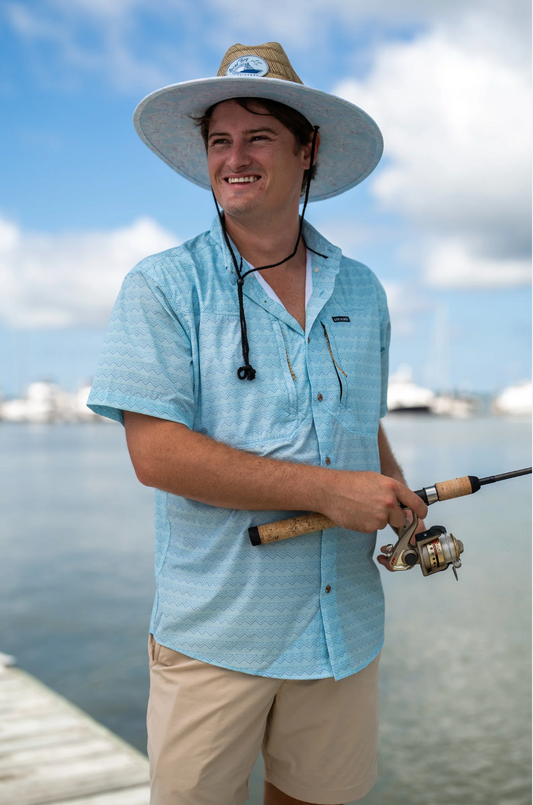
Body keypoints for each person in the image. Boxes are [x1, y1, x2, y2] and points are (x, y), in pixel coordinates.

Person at [88, 42, 427, 805]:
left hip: (344, 632)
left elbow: (357, 418)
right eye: (219, 140)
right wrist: (331, 492)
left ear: (307, 152)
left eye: (258, 137)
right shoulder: (161, 284)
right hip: (216, 635)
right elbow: (158, 455)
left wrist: (391, 490)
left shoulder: (363, 289)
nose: (233, 157)